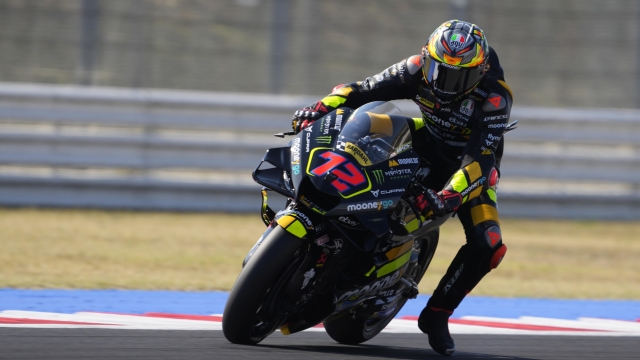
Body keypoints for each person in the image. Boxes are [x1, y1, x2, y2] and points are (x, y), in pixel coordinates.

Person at [291, 20, 512, 356]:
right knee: (370, 124)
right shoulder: (413, 69)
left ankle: (437, 314)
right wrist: (319, 108)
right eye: (440, 71)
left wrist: (446, 196)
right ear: (427, 58)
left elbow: (479, 161)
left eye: (460, 76)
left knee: (489, 243)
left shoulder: (494, 98)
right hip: (425, 139)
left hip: (468, 168)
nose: (447, 82)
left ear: (480, 71)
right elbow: (359, 90)